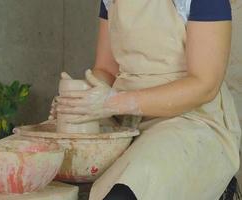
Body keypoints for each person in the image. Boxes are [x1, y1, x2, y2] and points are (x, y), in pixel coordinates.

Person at [53, 0, 241, 199]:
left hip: (190, 119)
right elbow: (106, 70)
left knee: (124, 193)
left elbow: (205, 86)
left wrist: (112, 102)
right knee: (52, 165)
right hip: (123, 115)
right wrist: (78, 99)